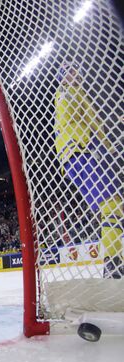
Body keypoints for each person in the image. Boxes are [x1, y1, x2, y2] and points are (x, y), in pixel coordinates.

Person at [54, 62, 123, 278]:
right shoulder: (70, 92)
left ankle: (115, 261)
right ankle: (113, 266)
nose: (75, 75)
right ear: (63, 77)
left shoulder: (67, 94)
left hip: (76, 155)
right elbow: (94, 122)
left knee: (115, 208)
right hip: (81, 152)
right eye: (70, 72)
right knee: (112, 207)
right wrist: (113, 135)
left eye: (76, 72)